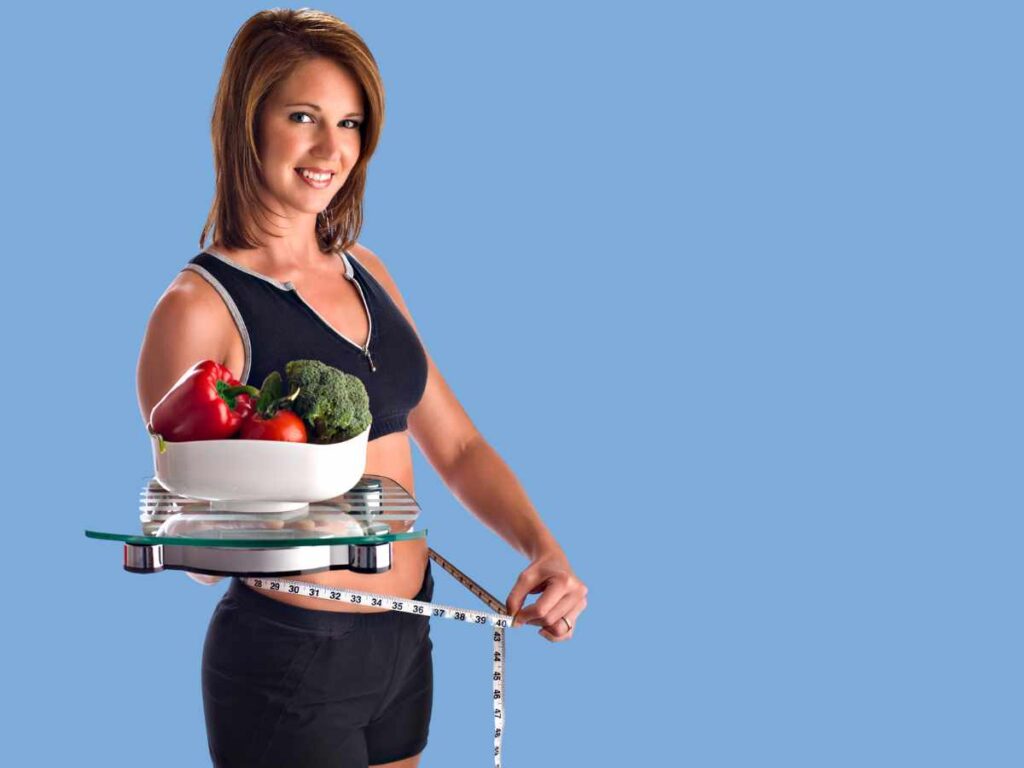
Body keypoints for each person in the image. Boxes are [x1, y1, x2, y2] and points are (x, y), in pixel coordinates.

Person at [134, 8, 588, 768]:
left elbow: (459, 443)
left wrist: (543, 549)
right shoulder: (198, 308)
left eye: (348, 123)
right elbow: (195, 542)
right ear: (250, 122)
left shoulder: (367, 271)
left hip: (405, 635)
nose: (329, 149)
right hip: (290, 655)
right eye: (302, 116)